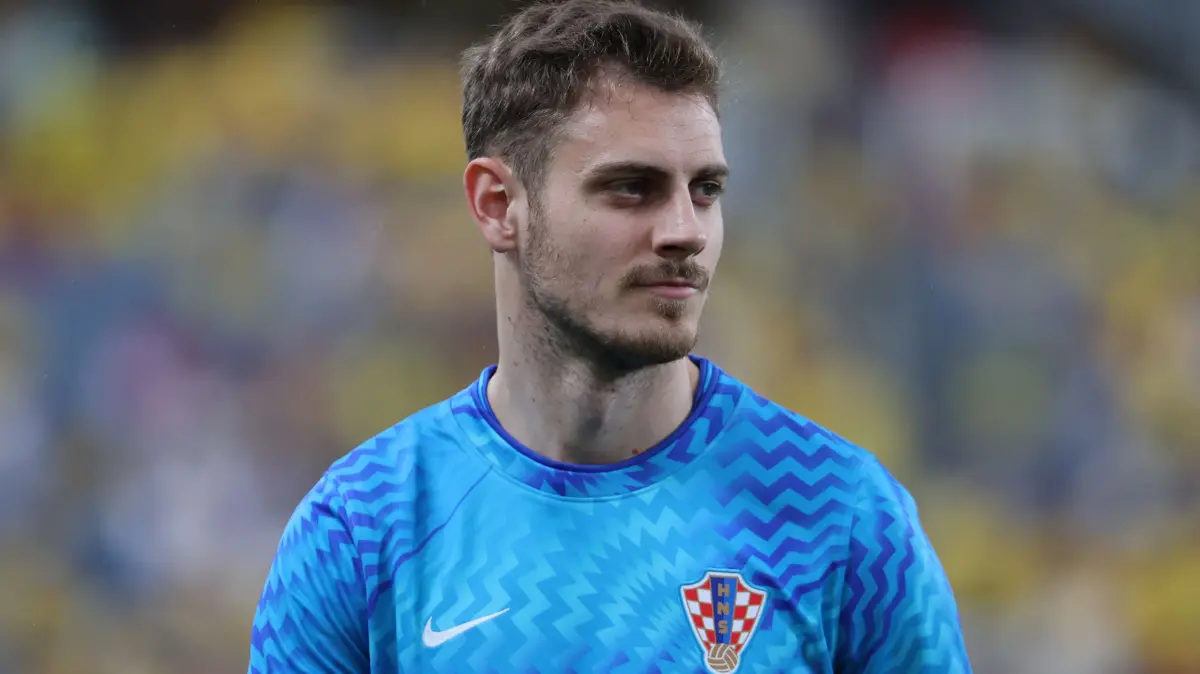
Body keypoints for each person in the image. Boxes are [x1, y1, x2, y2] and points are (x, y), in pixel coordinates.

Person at [247, 1, 973, 672]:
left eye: (706, 190)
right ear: (499, 205)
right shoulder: (360, 530)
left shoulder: (841, 516)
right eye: (632, 188)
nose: (685, 231)